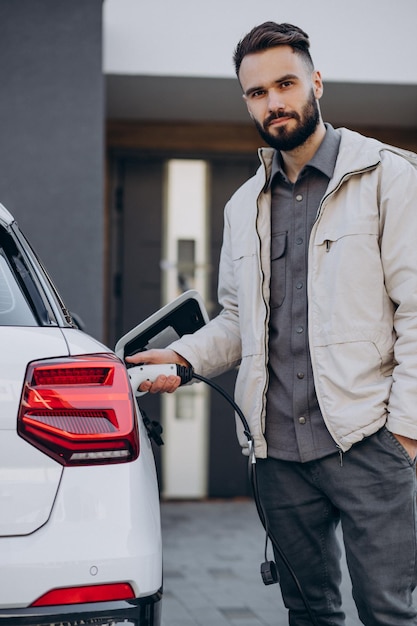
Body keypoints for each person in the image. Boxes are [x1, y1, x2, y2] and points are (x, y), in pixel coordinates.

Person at [126, 22, 417, 626]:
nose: (274, 102)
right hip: (277, 452)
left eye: (285, 83)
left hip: (367, 440)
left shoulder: (388, 177)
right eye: (257, 92)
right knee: (307, 612)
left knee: (387, 613)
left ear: (315, 82)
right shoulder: (243, 204)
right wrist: (184, 360)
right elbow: (238, 320)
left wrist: (406, 435)